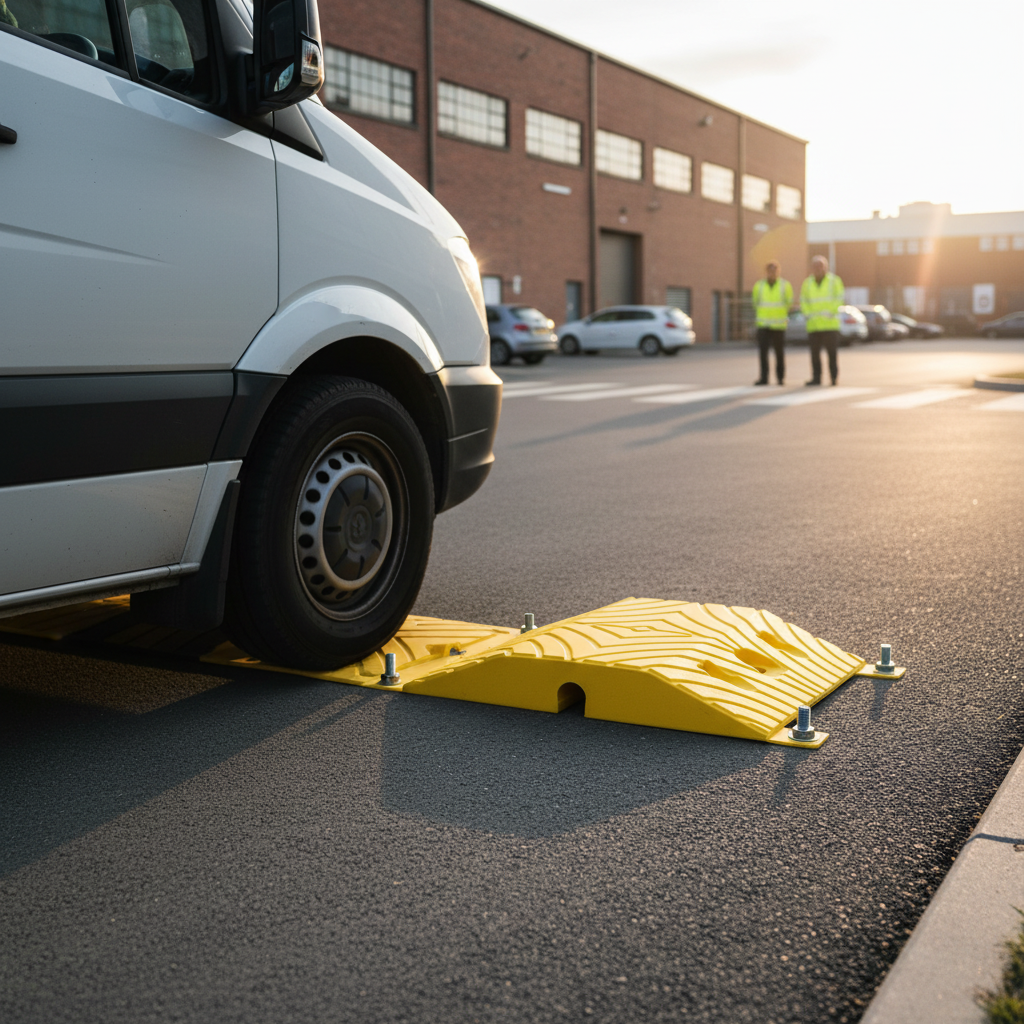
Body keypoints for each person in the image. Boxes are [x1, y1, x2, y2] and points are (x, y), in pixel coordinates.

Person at [800, 255, 845, 385]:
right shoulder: (807, 283)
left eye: (820, 266)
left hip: (830, 324)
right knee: (814, 355)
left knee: (832, 354)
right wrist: (808, 314)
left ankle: (833, 378)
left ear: (825, 267)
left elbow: (839, 298)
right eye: (815, 266)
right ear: (811, 268)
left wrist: (830, 311)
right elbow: (804, 300)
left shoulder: (834, 281)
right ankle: (816, 378)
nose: (818, 268)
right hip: (813, 325)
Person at [751, 260, 793, 385]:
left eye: (775, 270)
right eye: (770, 271)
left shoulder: (785, 285)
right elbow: (755, 303)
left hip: (779, 325)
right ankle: (764, 378)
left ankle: (780, 378)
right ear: (766, 272)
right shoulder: (759, 286)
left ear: (778, 271)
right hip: (763, 325)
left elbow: (789, 303)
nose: (772, 273)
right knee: (763, 354)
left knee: (779, 353)